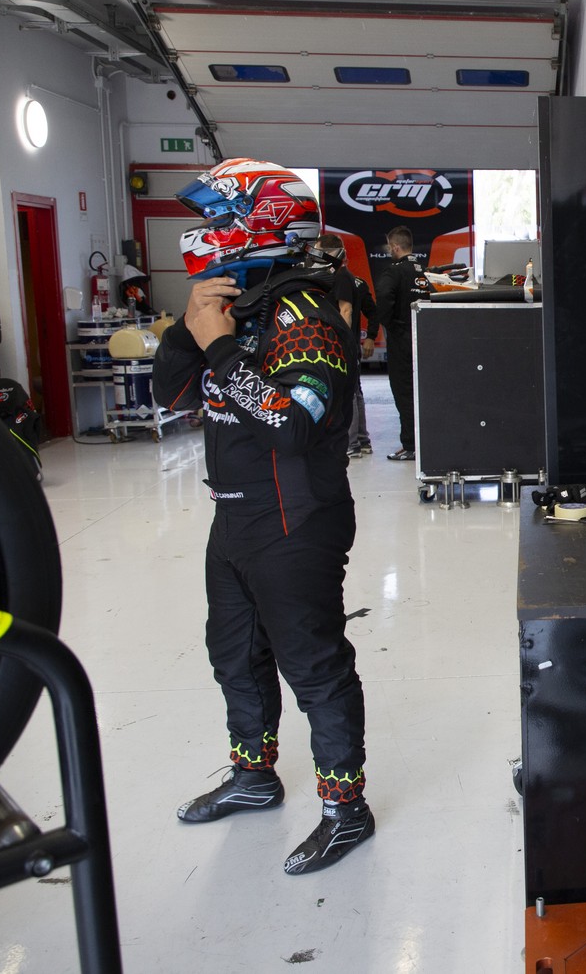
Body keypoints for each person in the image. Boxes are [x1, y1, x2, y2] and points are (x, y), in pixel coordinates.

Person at [152, 158, 373, 874]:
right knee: (235, 657)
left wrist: (218, 345)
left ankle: (346, 809)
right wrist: (189, 330)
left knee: (314, 665)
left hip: (296, 521)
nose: (206, 231)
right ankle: (254, 776)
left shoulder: (306, 316)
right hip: (235, 517)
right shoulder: (237, 305)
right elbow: (171, 396)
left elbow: (293, 425)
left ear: (262, 224)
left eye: (219, 218)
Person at [312, 233, 379, 458]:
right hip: (349, 344)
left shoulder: (340, 276)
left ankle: (350, 444)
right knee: (355, 391)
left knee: (346, 393)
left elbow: (346, 310)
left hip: (342, 344)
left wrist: (340, 342)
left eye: (319, 251)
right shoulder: (347, 276)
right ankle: (361, 440)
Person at [372, 225, 432, 461]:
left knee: (404, 392)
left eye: (390, 247)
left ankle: (410, 445)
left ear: (395, 247)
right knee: (425, 392)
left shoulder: (393, 272)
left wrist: (390, 325)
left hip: (402, 339)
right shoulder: (425, 272)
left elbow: (383, 297)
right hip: (427, 338)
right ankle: (427, 442)